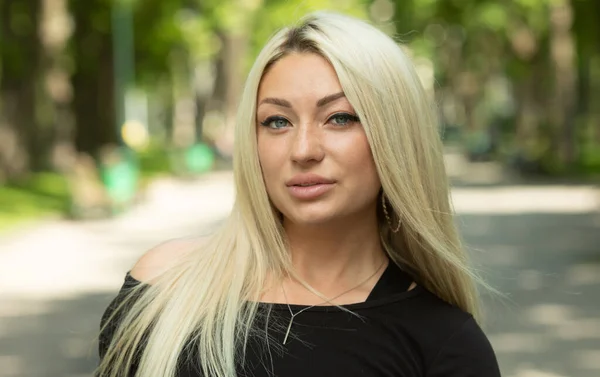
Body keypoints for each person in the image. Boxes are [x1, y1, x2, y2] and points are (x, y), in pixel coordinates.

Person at [97, 11, 501, 377]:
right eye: (277, 121)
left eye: (339, 118)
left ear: (396, 135)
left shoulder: (444, 346)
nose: (304, 150)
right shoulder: (164, 287)